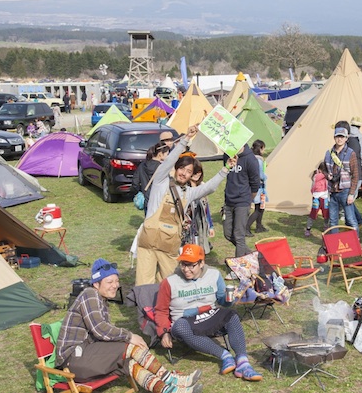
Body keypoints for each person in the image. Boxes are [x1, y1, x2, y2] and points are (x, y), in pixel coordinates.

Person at [56, 258, 203, 393]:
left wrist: (128, 340)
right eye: (109, 282)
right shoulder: (89, 294)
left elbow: (103, 335)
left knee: (129, 363)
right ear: (96, 283)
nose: (115, 285)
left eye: (116, 281)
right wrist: (130, 336)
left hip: (87, 356)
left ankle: (170, 390)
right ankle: (171, 379)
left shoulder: (101, 300)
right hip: (73, 360)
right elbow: (100, 329)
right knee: (130, 348)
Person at [135, 126, 235, 286]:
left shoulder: (189, 193)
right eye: (181, 168)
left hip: (169, 245)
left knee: (168, 283)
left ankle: (162, 310)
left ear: (192, 175)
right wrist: (185, 140)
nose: (183, 173)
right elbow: (168, 161)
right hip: (148, 243)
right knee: (144, 284)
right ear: (176, 168)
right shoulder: (161, 181)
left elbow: (209, 187)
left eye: (188, 171)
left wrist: (225, 169)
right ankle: (145, 310)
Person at [155, 244, 263, 382]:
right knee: (180, 327)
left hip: (209, 314)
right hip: (185, 321)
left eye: (191, 265)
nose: (186, 269)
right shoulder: (170, 282)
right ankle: (225, 356)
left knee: (231, 315)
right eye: (183, 264)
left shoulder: (214, 275)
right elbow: (160, 310)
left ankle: (243, 362)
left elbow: (223, 302)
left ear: (201, 263)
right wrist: (164, 332)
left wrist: (230, 298)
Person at [223, 144, 261, 257]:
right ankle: (252, 255)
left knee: (239, 236)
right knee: (228, 233)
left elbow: (255, 183)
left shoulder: (250, 159)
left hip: (243, 201)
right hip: (229, 200)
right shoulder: (226, 154)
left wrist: (248, 200)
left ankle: (239, 268)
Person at [324, 126, 360, 230]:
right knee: (333, 220)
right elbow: (324, 169)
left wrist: (351, 194)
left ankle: (355, 242)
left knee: (350, 219)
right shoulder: (328, 153)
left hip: (345, 190)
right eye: (337, 136)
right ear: (334, 138)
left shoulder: (351, 153)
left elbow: (355, 175)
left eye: (342, 137)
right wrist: (328, 175)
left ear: (346, 138)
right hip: (332, 190)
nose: (339, 139)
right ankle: (334, 244)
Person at [184, 159, 215, 253]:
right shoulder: (184, 189)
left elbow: (206, 209)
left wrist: (210, 226)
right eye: (195, 172)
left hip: (201, 224)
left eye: (199, 171)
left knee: (200, 249)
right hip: (188, 226)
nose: (197, 174)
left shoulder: (202, 187)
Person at [131, 141, 170, 215]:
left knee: (148, 222)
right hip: (159, 201)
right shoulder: (162, 168)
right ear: (160, 154)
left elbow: (135, 183)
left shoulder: (142, 165)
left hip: (146, 199)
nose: (168, 156)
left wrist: (140, 192)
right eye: (167, 154)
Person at [246, 140, 268, 236]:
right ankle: (246, 227)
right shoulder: (258, 160)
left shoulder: (250, 158)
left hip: (256, 186)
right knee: (258, 208)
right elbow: (259, 174)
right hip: (258, 186)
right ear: (260, 148)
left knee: (261, 207)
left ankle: (259, 226)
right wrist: (265, 176)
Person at [305, 162, 330, 236]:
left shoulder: (325, 177)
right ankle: (308, 228)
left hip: (324, 197)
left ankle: (326, 226)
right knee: (313, 213)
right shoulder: (317, 176)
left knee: (326, 213)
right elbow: (318, 177)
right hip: (317, 197)